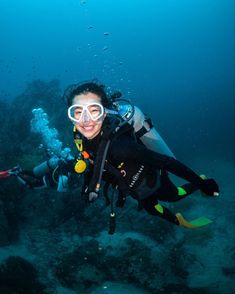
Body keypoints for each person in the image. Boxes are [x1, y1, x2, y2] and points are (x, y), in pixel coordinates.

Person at [64, 81, 219, 230]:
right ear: (71, 115)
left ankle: (201, 181)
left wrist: (202, 184)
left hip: (152, 175)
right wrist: (87, 186)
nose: (85, 120)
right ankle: (179, 222)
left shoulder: (122, 147)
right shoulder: (80, 137)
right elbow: (93, 161)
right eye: (77, 112)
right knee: (152, 209)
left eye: (94, 110)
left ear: (105, 112)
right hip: (132, 187)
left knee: (174, 196)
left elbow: (166, 162)